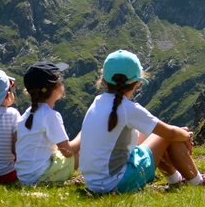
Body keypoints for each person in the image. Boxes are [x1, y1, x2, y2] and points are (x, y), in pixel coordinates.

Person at [80, 49, 205, 194]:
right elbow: (169, 133)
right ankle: (197, 182)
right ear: (137, 83)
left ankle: (176, 180)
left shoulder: (98, 101)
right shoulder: (128, 108)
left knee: (158, 133)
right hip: (117, 183)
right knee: (168, 135)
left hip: (94, 182)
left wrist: (176, 133)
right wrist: (185, 135)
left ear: (103, 80)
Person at [15, 61, 81, 185]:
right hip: (40, 177)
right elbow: (68, 152)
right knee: (79, 155)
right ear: (54, 87)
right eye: (61, 79)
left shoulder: (28, 114)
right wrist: (83, 134)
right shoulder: (50, 116)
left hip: (25, 176)